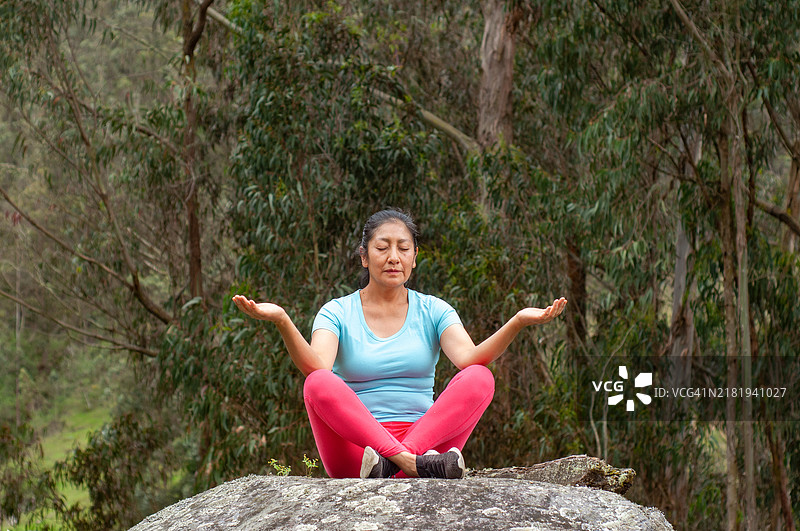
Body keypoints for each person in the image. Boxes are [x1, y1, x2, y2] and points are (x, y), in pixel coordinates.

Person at [232, 209, 567, 479]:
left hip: (426, 443)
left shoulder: (434, 309)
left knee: (481, 377)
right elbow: (317, 367)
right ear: (364, 257)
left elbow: (469, 358)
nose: (393, 257)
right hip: (361, 457)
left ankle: (397, 462)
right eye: (382, 247)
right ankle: (409, 465)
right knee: (317, 382)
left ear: (414, 257)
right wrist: (282, 320)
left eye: (403, 248)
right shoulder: (337, 312)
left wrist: (518, 321)